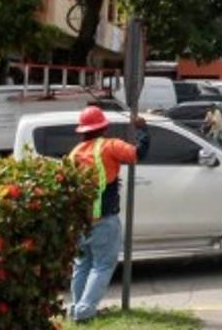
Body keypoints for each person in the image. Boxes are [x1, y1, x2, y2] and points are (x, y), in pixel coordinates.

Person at [68, 106, 150, 323]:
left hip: (80, 221)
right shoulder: (110, 146)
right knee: (103, 265)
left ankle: (76, 307)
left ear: (83, 131)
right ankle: (85, 311)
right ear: (103, 128)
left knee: (82, 265)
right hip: (104, 220)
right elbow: (137, 153)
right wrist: (142, 130)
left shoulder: (74, 153)